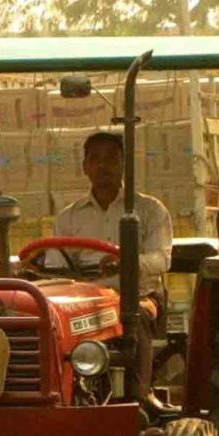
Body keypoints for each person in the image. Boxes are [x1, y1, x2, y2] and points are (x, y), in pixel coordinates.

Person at [54, 131, 173, 402]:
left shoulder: (149, 210)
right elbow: (56, 265)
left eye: (110, 159)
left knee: (133, 315)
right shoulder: (68, 217)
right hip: (86, 300)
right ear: (85, 167)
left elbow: (161, 259)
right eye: (95, 159)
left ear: (124, 165)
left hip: (137, 295)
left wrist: (127, 262)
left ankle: (136, 399)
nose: (102, 166)